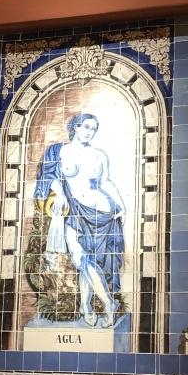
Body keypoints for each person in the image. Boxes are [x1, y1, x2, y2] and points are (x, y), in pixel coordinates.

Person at [34, 112, 126, 327]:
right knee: (80, 258)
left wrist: (121, 205)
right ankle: (109, 304)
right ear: (75, 127)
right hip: (75, 211)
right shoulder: (59, 151)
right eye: (86, 127)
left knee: (89, 262)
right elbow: (49, 176)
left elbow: (106, 182)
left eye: (93, 129)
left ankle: (85, 306)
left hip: (103, 213)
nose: (89, 132)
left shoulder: (99, 155)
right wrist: (60, 194)